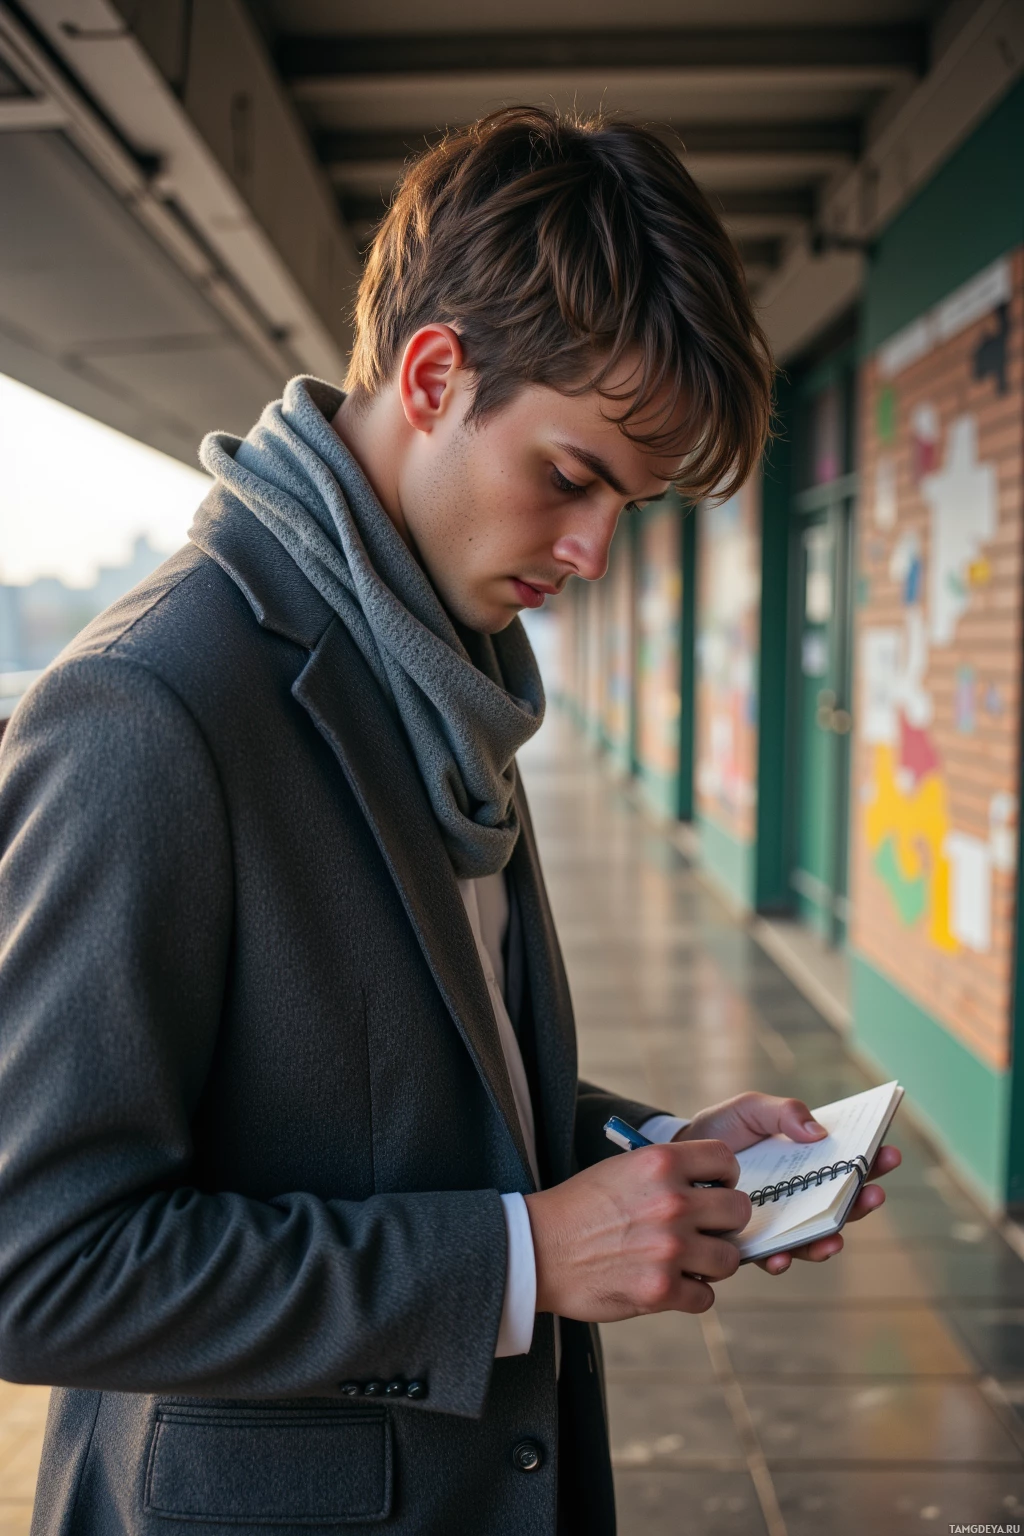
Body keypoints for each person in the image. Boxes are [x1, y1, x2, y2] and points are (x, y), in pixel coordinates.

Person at [0, 107, 898, 1535]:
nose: (595, 551)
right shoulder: (149, 708)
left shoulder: (441, 666)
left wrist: (649, 1160)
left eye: (630, 504)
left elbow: (397, 1103)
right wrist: (522, 1260)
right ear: (432, 375)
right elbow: (34, 1266)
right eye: (573, 476)